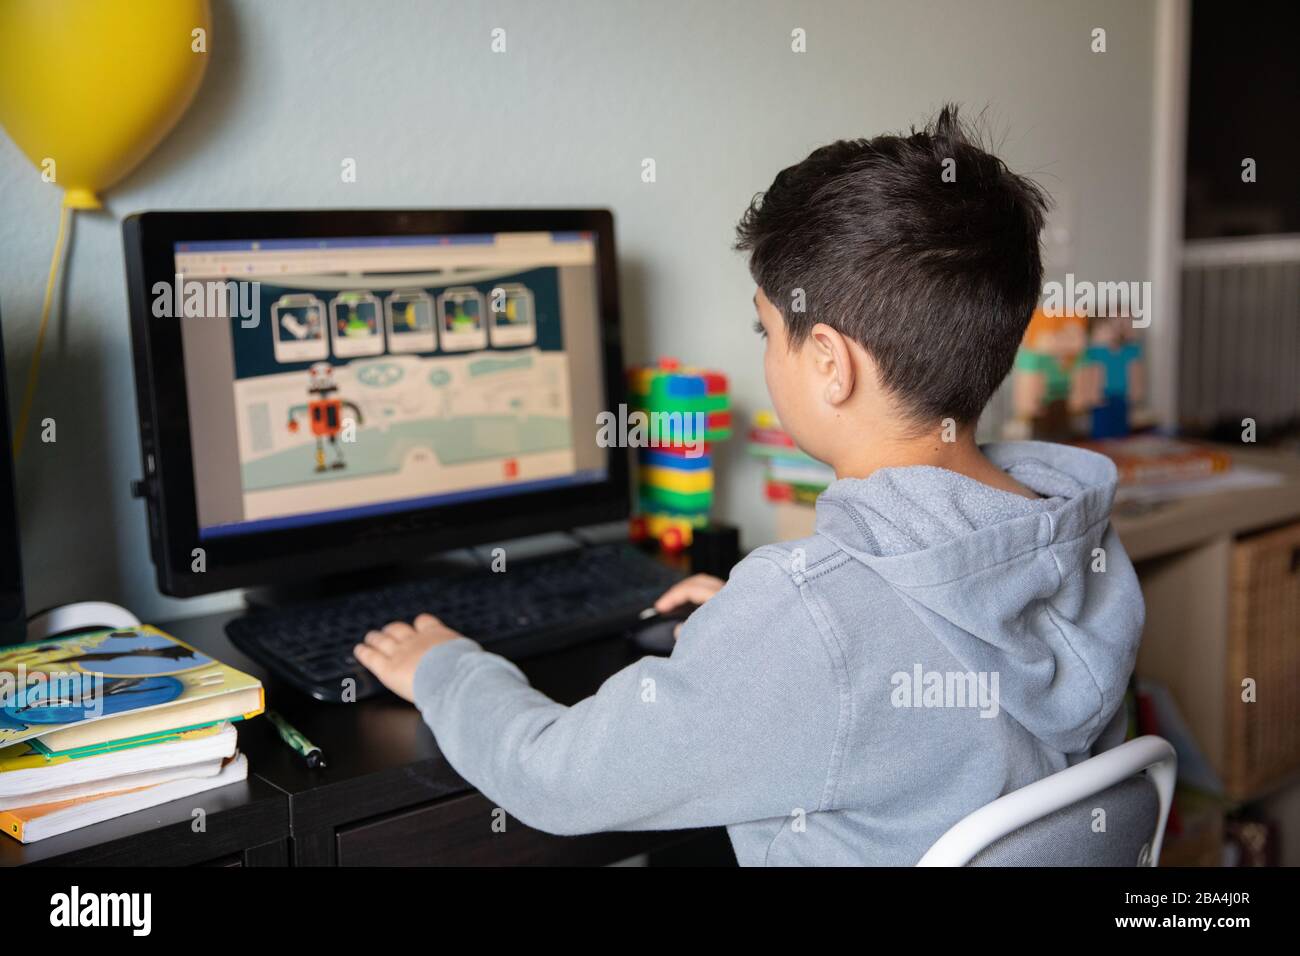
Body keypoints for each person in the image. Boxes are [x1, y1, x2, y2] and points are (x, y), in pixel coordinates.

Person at [353, 106, 1144, 865]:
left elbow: (554, 781)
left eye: (767, 330)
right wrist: (752, 624)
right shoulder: (1080, 539)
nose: (766, 356)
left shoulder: (809, 618)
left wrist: (445, 668)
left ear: (831, 364)